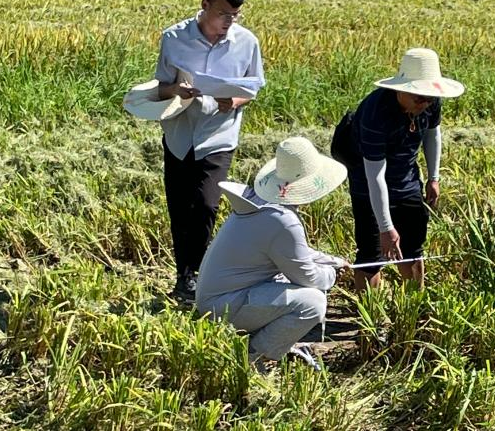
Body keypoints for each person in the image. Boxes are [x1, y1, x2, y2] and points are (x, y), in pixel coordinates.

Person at [154, 0, 265, 301]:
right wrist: (177, 90)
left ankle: (199, 276)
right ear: (204, 5)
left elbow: (254, 87)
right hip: (180, 134)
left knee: (205, 205)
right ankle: (183, 277)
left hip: (219, 135)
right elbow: (159, 87)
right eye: (223, 14)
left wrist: (236, 101)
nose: (229, 21)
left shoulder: (247, 42)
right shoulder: (174, 38)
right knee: (180, 208)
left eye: (235, 15)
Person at [195, 137, 349, 368]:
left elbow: (293, 254)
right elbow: (308, 276)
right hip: (222, 307)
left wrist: (333, 261)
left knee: (292, 284)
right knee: (312, 303)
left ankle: (260, 344)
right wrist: (332, 274)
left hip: (218, 298)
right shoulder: (283, 221)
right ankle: (253, 357)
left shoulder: (264, 205)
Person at [332, 48, 465, 291]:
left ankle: (413, 306)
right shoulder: (375, 114)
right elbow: (375, 175)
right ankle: (370, 320)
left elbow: (432, 134)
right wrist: (385, 227)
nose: (424, 104)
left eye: (429, 99)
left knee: (412, 248)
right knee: (372, 254)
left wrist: (433, 178)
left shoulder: (429, 101)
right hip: (368, 186)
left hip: (407, 181)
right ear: (401, 90)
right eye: (419, 98)